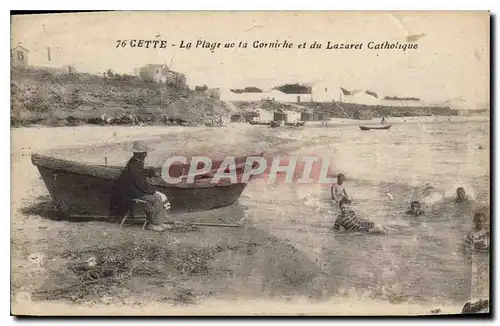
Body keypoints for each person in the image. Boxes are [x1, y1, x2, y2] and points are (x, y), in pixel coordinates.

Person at [110, 141, 173, 232]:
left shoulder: (136, 162)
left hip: (135, 190)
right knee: (156, 198)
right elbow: (139, 183)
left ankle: (159, 222)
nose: (146, 154)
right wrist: (152, 192)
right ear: (139, 154)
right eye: (144, 153)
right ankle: (153, 224)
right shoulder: (133, 166)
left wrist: (151, 173)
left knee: (156, 196)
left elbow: (140, 174)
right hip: (133, 192)